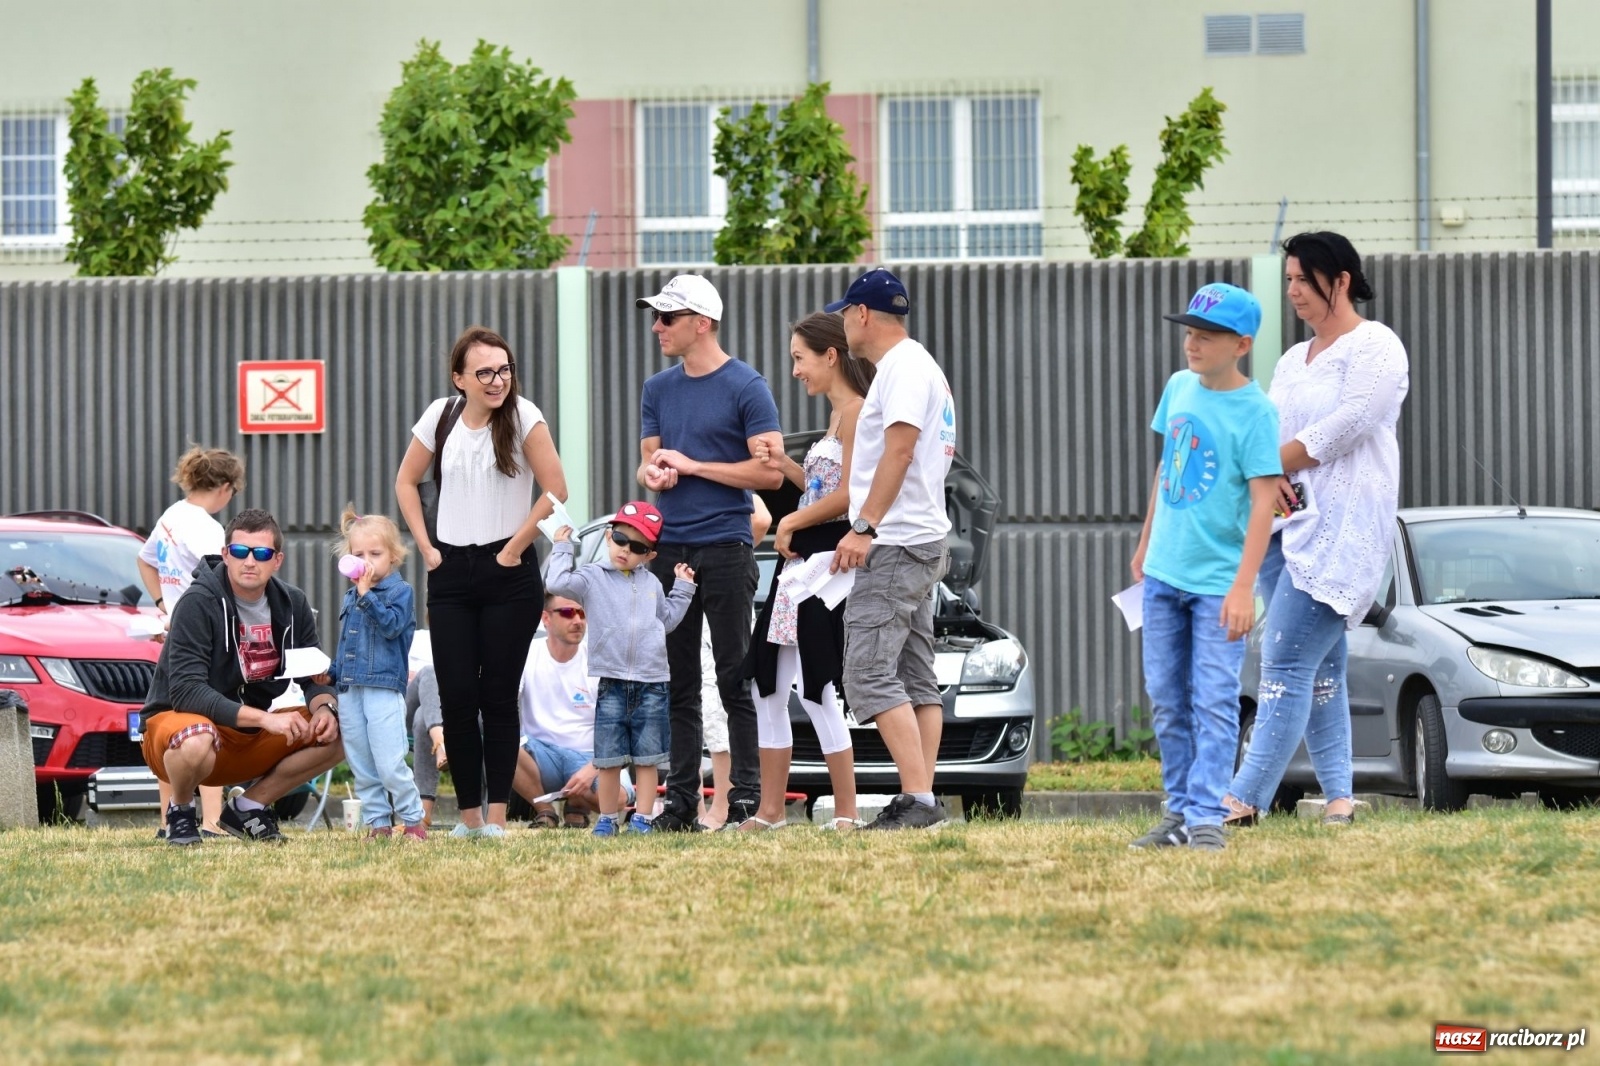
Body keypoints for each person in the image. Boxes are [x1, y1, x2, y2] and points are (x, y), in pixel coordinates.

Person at [1223, 232, 1410, 828]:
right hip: (1288, 526)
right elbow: (1269, 427)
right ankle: (1340, 800)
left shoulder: (1376, 346)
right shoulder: (1291, 359)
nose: (1294, 292)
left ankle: (1242, 798)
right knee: (1322, 669)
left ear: (1342, 280)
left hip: (1344, 530)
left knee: (1282, 659)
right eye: (1289, 281)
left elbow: (1352, 422)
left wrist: (1276, 461)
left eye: (1304, 279)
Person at [396, 325, 567, 839]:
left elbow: (556, 489)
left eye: (505, 370)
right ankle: (467, 818)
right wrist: (426, 548)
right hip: (449, 570)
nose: (497, 381)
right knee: (454, 697)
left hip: (509, 570)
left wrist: (514, 548)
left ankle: (495, 818)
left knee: (496, 696)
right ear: (460, 378)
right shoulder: (440, 415)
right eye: (485, 372)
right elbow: (406, 481)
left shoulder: (523, 416)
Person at [1127, 283, 1281, 852]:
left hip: (1219, 586)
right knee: (1167, 699)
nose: (1191, 343)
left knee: (1213, 701)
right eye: (1188, 331)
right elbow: (1167, 472)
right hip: (1164, 575)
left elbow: (1266, 501)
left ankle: (1208, 816)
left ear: (1240, 344)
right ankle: (1177, 813)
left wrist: (1245, 588)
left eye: (1206, 335)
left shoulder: (1258, 412)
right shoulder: (1178, 388)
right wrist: (1146, 544)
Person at [635, 274, 783, 832]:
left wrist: (694, 466)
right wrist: (652, 472)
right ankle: (680, 805)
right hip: (671, 545)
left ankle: (744, 799)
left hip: (726, 542)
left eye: (666, 318)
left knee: (731, 677)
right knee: (677, 681)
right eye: (656, 316)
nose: (657, 327)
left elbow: (768, 471)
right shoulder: (657, 388)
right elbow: (648, 461)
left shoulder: (748, 385)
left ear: (702, 322)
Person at [822, 268, 956, 831]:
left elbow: (899, 452)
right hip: (919, 536)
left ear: (861, 314)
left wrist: (864, 526)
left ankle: (920, 799)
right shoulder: (915, 366)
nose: (842, 323)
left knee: (868, 674)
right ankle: (919, 795)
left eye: (844, 313)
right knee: (914, 673)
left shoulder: (902, 369)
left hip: (896, 541)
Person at [138, 508, 345, 845]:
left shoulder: (293, 603)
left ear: (276, 560)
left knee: (347, 726)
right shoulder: (198, 602)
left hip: (243, 735)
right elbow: (187, 692)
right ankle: (179, 811)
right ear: (225, 555)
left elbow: (312, 678)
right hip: (177, 731)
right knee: (197, 734)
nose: (250, 561)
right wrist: (266, 719)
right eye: (240, 551)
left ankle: (249, 807)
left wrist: (325, 709)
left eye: (261, 553)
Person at [741, 312, 872, 831]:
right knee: (767, 682)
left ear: (830, 355)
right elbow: (821, 491)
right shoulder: (837, 417)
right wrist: (787, 467)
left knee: (821, 685)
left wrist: (790, 519)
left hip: (828, 563)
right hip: (800, 563)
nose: (795, 370)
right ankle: (771, 812)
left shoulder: (860, 412)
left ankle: (845, 812)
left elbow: (850, 497)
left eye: (800, 357)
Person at [544, 502, 696, 836]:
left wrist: (683, 588)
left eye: (638, 547)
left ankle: (641, 818)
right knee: (609, 759)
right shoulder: (591, 577)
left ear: (650, 555)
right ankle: (608, 818)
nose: (625, 550)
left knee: (647, 757)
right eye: (619, 539)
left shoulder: (653, 584)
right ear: (608, 537)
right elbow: (556, 582)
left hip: (652, 682)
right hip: (611, 681)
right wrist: (562, 546)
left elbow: (667, 621)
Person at [136, 444, 245, 839]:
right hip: (204, 638)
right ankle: (213, 820)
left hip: (172, 635)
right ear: (227, 487)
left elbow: (145, 560)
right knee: (207, 724)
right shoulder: (207, 528)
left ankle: (169, 818)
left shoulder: (171, 515)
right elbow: (224, 580)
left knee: (169, 724)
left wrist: (165, 605)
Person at [328, 507, 424, 840]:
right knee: (362, 762)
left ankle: (413, 820)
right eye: (358, 554)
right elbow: (347, 646)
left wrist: (368, 595)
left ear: (394, 557)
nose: (366, 561)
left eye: (375, 553)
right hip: (351, 689)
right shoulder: (352, 595)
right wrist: (330, 672)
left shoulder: (400, 593)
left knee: (389, 761)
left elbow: (391, 627)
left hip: (382, 688)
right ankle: (378, 823)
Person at [510, 593, 625, 830]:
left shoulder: (599, 660)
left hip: (590, 756)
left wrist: (592, 768)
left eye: (582, 613)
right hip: (540, 756)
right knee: (500, 743)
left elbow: (622, 728)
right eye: (567, 613)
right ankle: (545, 812)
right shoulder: (525, 654)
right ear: (546, 619)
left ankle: (577, 804)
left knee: (619, 799)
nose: (578, 620)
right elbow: (502, 704)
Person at [698, 498, 771, 830]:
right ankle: (697, 801)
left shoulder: (729, 470)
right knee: (695, 695)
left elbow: (762, 520)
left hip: (723, 589)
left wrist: (720, 556)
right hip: (687, 595)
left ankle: (727, 801)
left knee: (722, 695)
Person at [406, 664, 445, 827]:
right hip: (411, 699)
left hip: (454, 705)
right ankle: (439, 738)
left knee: (423, 716)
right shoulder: (406, 637)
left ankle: (423, 815)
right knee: (429, 671)